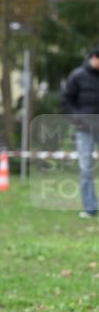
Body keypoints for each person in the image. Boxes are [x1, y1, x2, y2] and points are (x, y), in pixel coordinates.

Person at [61, 46, 99, 218]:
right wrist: (76, 118)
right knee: (86, 168)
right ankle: (90, 207)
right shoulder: (77, 76)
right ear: (93, 58)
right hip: (84, 129)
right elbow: (66, 100)